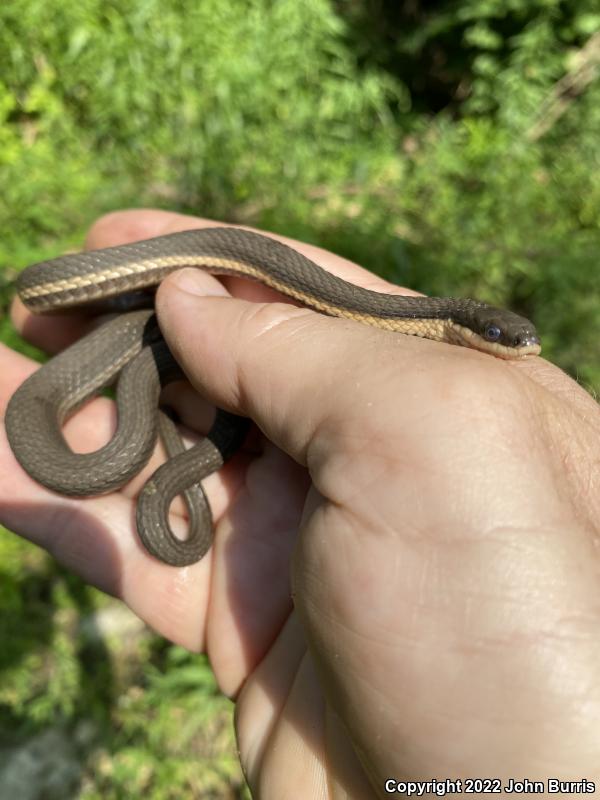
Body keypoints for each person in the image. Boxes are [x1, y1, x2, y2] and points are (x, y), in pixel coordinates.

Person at [1, 209, 599, 797]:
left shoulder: (426, 326)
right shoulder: (412, 316)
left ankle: (153, 386)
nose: (523, 349)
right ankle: (151, 379)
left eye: (519, 338)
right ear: (467, 327)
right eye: (503, 338)